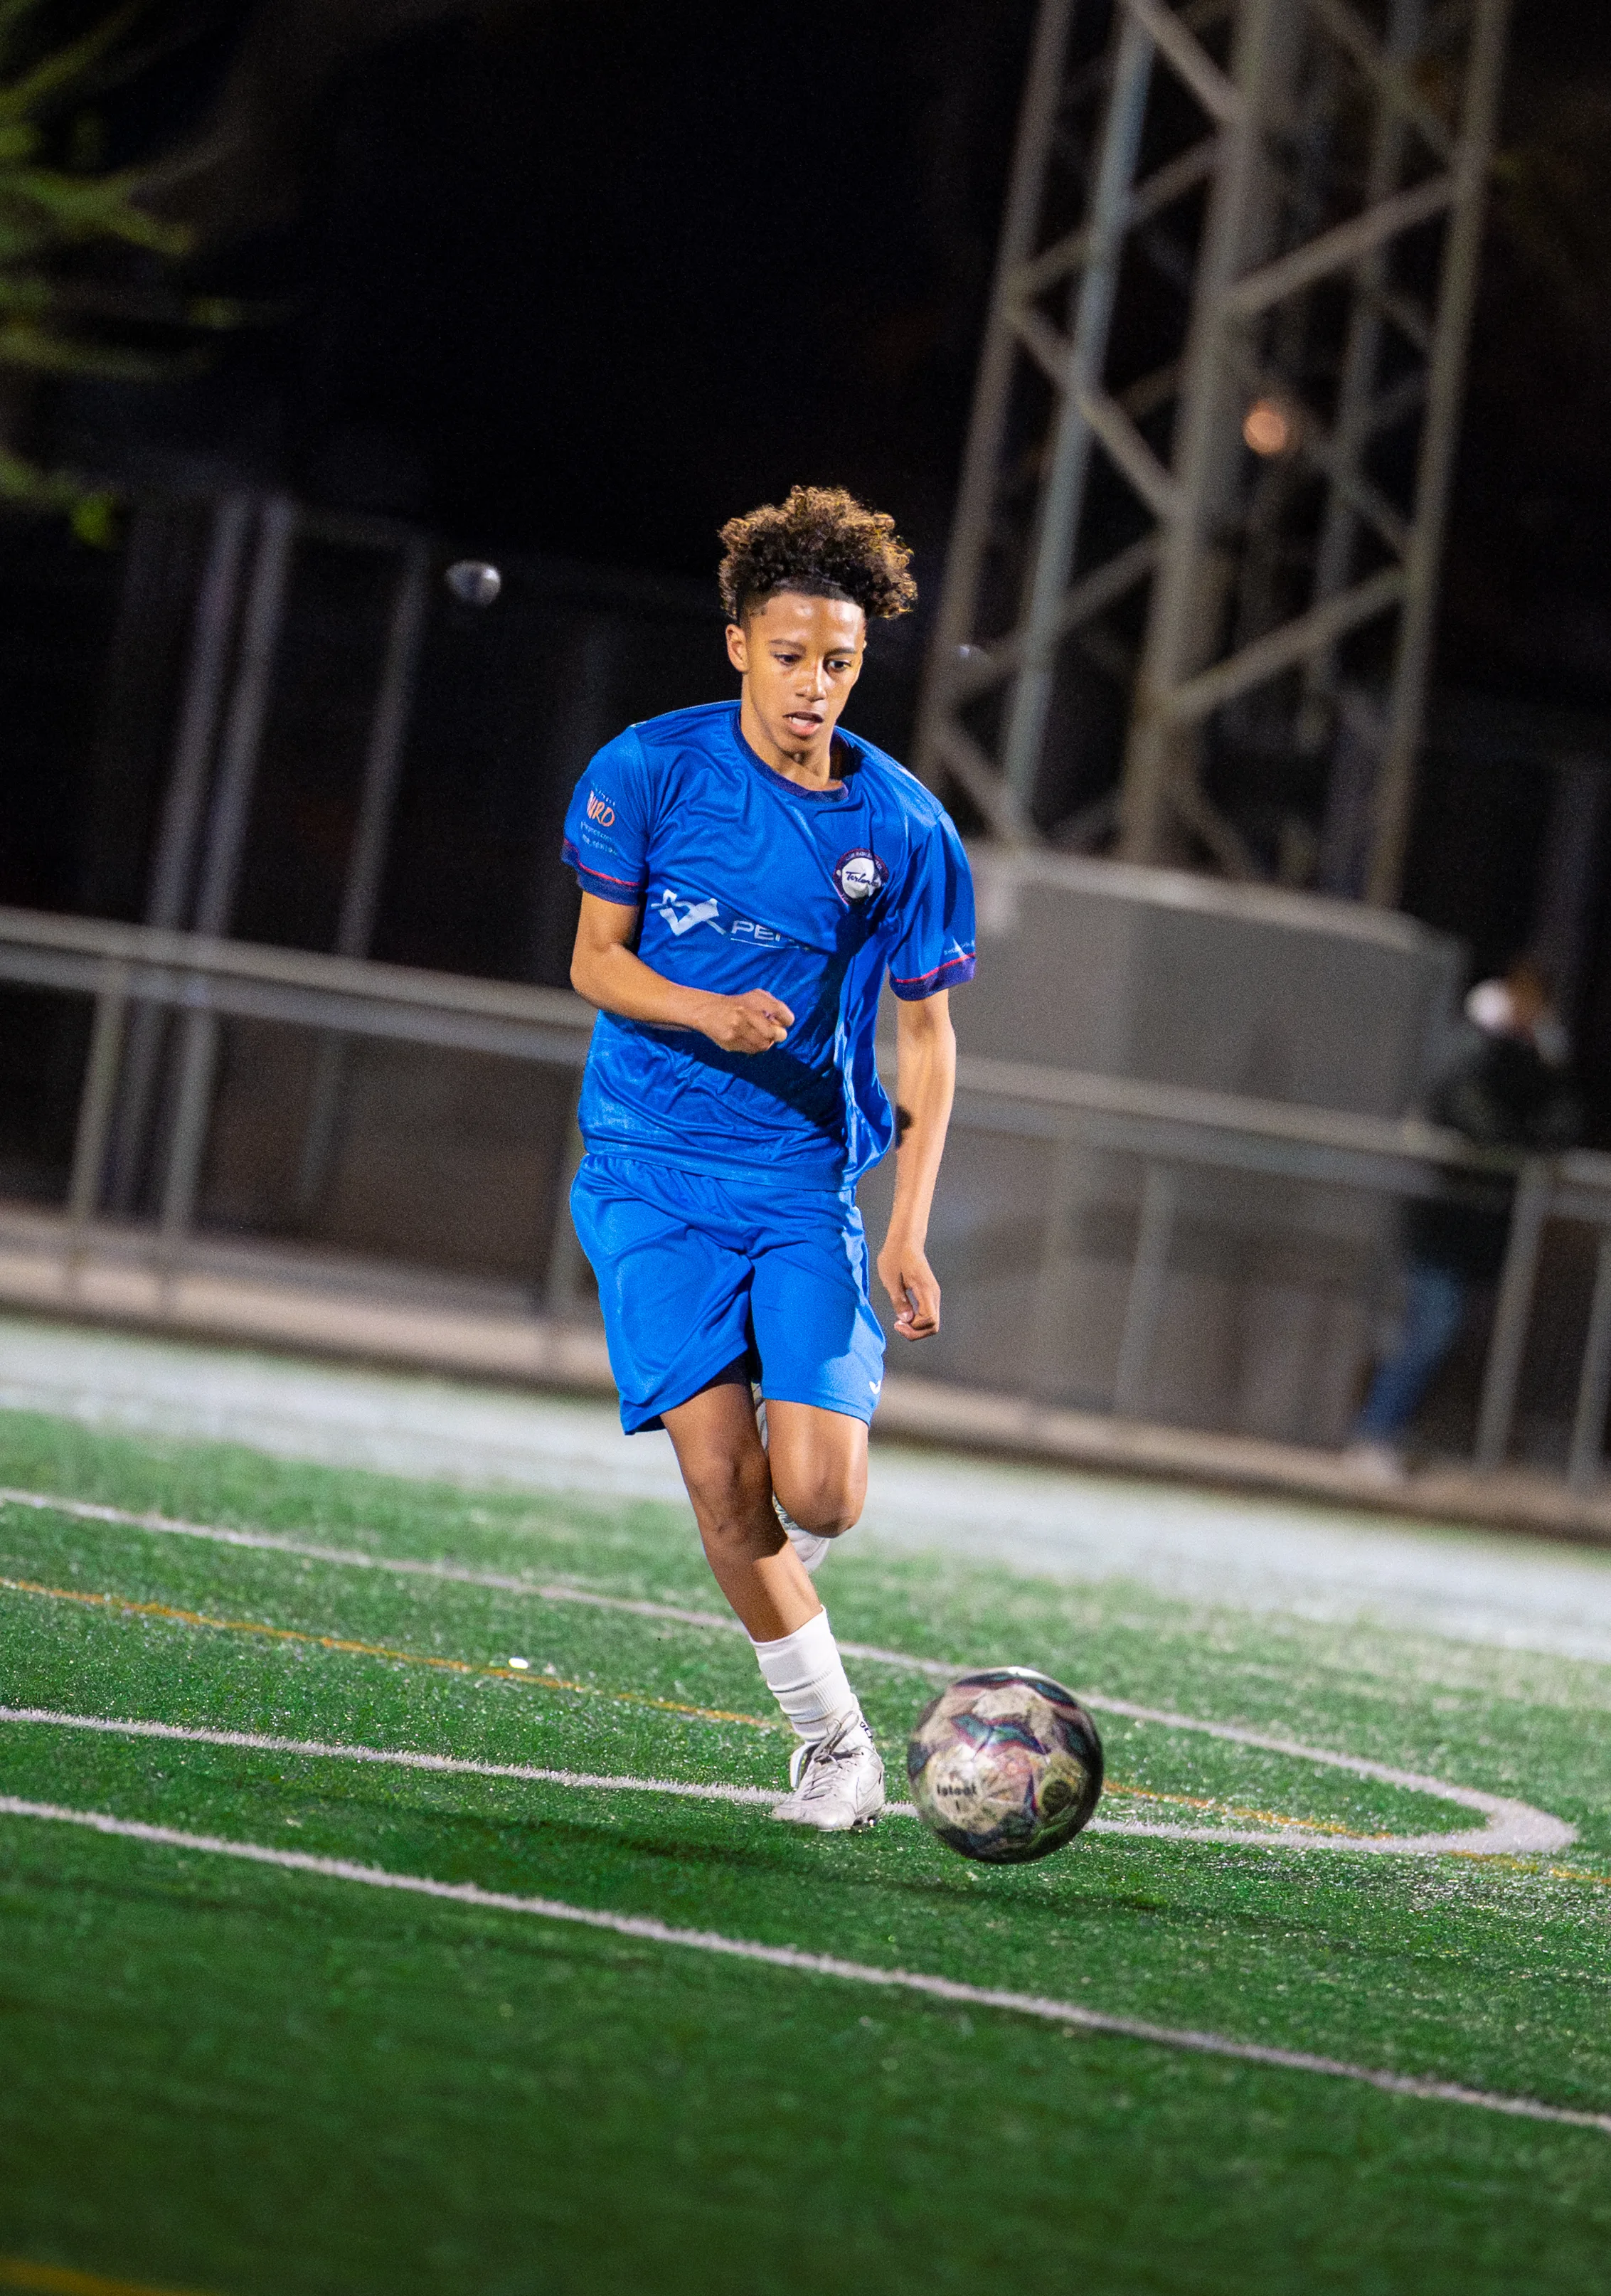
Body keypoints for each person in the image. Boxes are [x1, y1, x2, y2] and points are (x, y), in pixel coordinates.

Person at [561, 486, 976, 1829]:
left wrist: (907, 1226)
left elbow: (930, 1037)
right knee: (722, 1482)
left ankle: (772, 1494)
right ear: (739, 642)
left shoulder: (903, 826)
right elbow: (594, 961)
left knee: (823, 1496)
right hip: (647, 1170)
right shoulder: (648, 769)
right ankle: (837, 1747)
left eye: (840, 663)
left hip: (800, 1184)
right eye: (791, 656)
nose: (814, 686)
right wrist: (706, 1012)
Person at [1347, 959, 1580, 1477]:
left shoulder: (1537, 1055)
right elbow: (1458, 1106)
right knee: (1428, 1330)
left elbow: (1561, 1120)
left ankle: (1385, 1432)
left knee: (1439, 1333)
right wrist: (1513, 1147)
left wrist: (1536, 1120)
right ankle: (1372, 1433)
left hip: (1480, 1228)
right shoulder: (1475, 1040)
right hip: (1442, 1219)